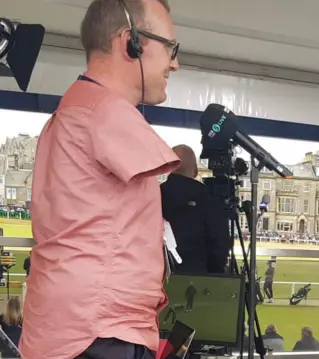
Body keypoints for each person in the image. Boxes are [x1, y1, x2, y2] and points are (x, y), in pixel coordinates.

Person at [20, 0, 182, 358]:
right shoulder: (105, 112)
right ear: (131, 42)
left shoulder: (74, 110)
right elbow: (181, 168)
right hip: (99, 332)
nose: (175, 62)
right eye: (170, 47)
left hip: (75, 328)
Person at [161, 144, 233, 274]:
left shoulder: (155, 196)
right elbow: (219, 246)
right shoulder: (207, 198)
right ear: (195, 169)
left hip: (157, 278)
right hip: (197, 279)